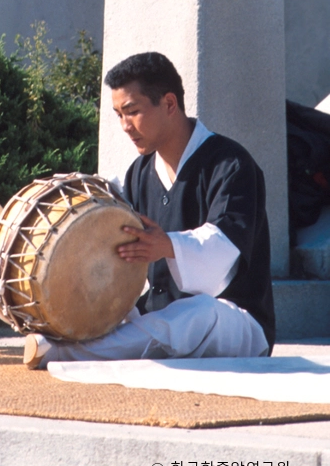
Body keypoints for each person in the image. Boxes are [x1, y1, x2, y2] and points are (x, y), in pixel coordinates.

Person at [22, 52, 275, 369]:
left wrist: (167, 245)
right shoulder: (139, 173)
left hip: (236, 321)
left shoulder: (231, 165)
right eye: (118, 115)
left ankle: (66, 353)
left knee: (195, 314)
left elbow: (222, 254)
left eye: (133, 112)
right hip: (156, 316)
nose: (126, 126)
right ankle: (68, 339)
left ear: (169, 104)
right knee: (139, 318)